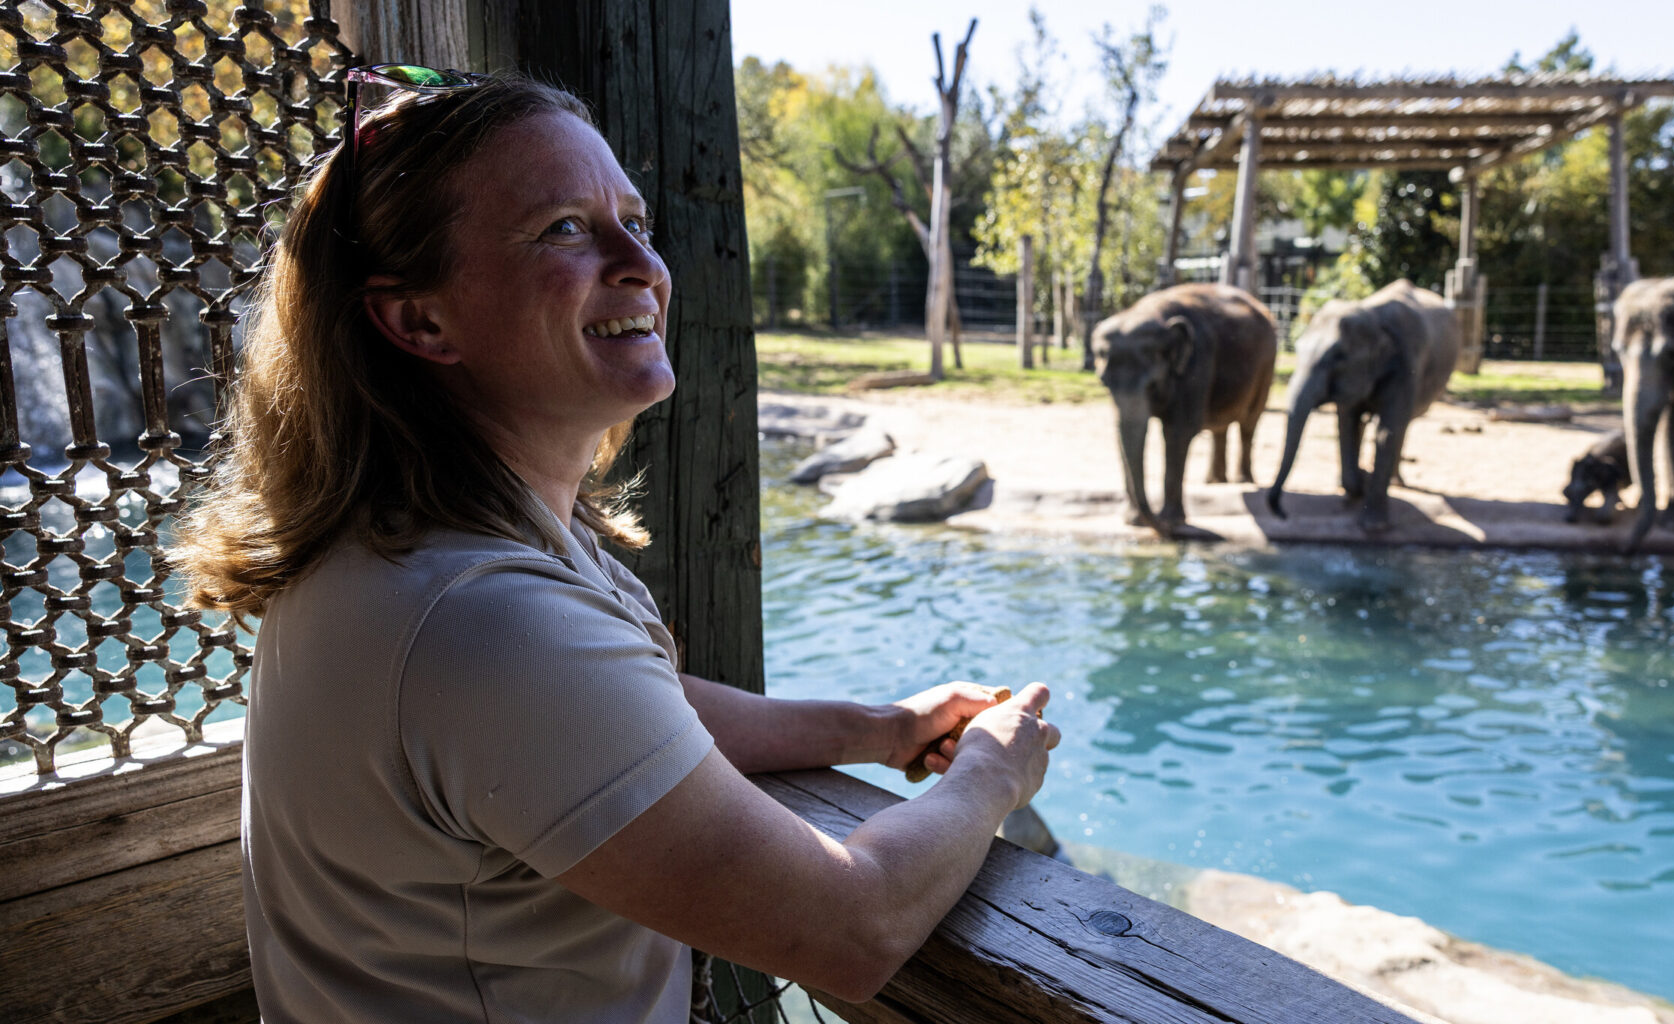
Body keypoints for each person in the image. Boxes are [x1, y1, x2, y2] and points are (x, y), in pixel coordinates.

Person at [174, 71, 1059, 1023]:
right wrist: (991, 774)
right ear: (421, 319)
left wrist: (880, 729)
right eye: (563, 227)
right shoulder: (480, 621)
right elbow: (854, 926)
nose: (643, 263)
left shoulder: (423, 545)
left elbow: (632, 715)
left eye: (635, 221)